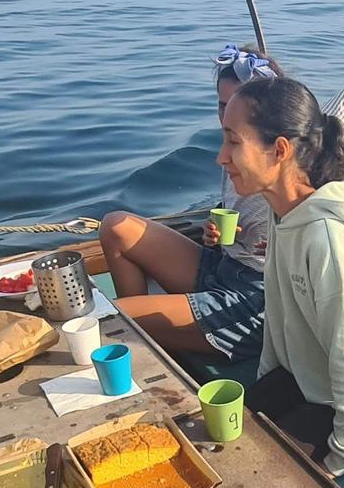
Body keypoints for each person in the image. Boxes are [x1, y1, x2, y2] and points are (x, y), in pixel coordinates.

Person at [217, 74, 344, 477]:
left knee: (249, 471)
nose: (220, 157)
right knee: (219, 438)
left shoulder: (330, 242)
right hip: (312, 382)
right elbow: (280, 317)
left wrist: (335, 463)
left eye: (233, 141)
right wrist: (265, 391)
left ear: (279, 150)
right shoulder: (285, 214)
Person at [99, 44, 276, 360]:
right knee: (117, 227)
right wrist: (214, 235)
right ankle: (152, 344)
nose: (226, 117)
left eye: (236, 107)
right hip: (224, 266)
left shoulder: (282, 166)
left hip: (254, 301)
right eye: (222, 105)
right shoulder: (232, 149)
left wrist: (275, 246)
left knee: (117, 317)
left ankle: (147, 342)